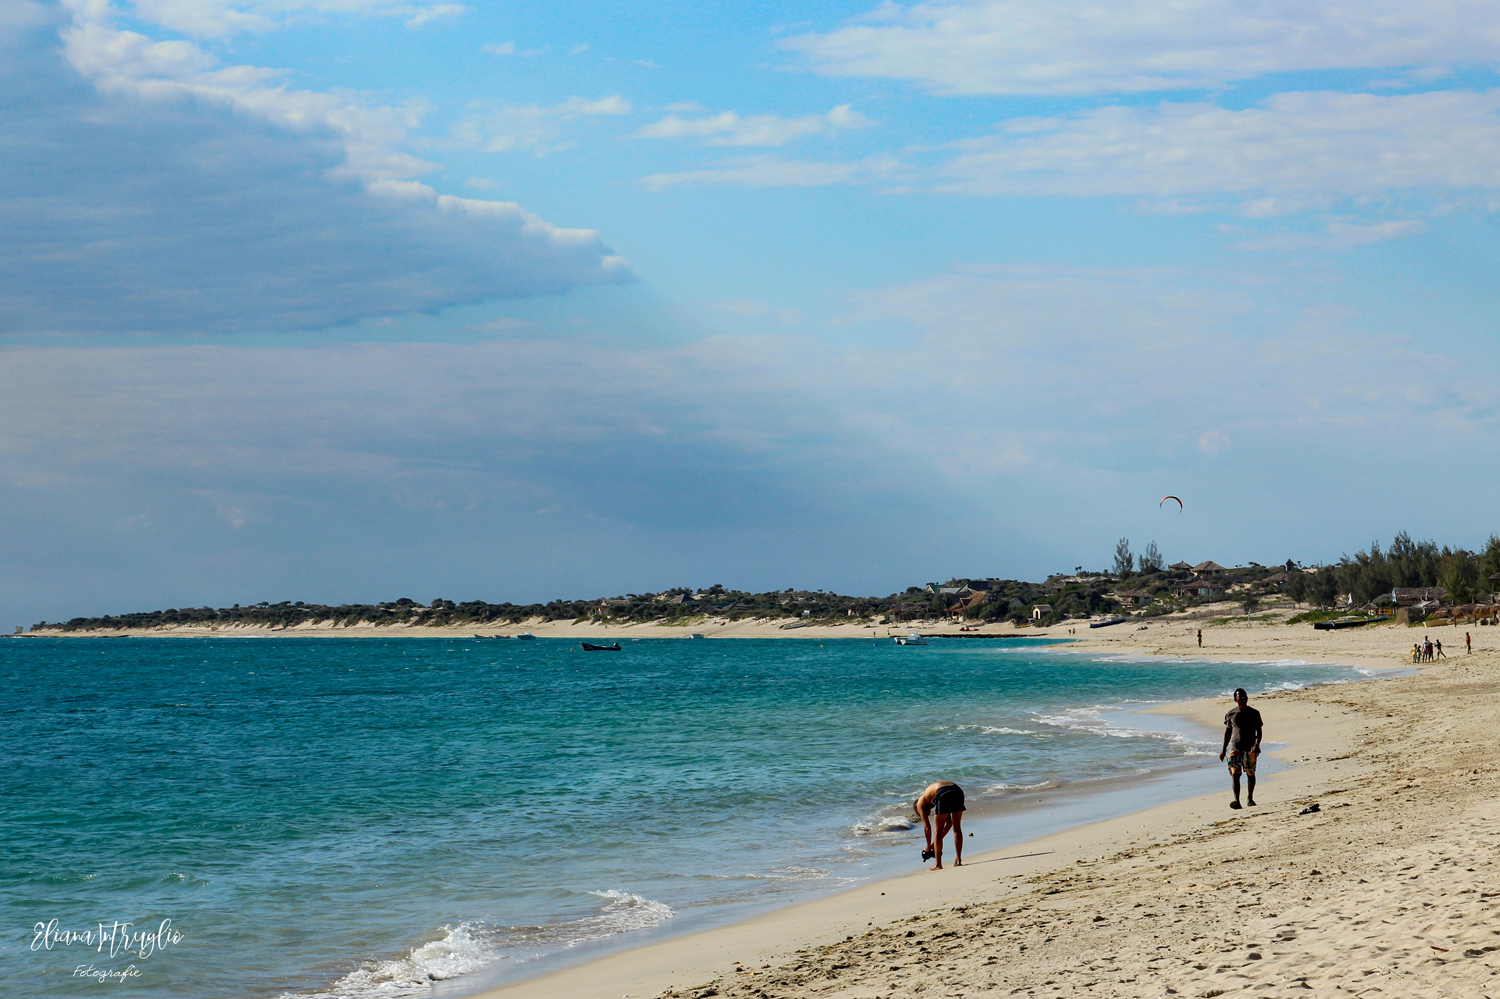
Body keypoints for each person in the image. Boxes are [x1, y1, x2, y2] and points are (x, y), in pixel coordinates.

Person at [1219, 688, 1263, 810]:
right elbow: (1228, 732)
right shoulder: (1230, 714)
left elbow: (1258, 731)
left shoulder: (1254, 713)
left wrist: (1257, 744)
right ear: (1235, 699)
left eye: (1244, 695)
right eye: (1240, 696)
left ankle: (1250, 798)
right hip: (1235, 747)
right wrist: (1223, 749)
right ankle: (1237, 800)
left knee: (1250, 773)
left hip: (1249, 747)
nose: (1243, 698)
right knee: (1235, 774)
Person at [914, 781, 965, 870]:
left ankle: (938, 864)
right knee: (957, 828)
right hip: (957, 790)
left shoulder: (919, 804)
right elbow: (949, 823)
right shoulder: (931, 797)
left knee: (937, 830)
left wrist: (928, 846)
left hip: (943, 791)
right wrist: (934, 843)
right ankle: (958, 860)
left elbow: (927, 827)